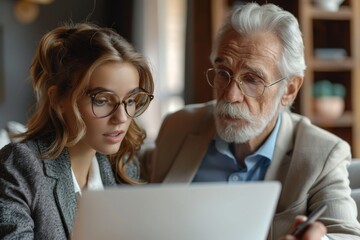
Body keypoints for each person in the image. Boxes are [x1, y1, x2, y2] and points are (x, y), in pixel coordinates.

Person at [141, 2, 360, 240]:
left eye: (252, 80)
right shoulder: (179, 126)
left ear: (289, 89)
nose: (230, 96)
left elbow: (345, 235)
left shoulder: (322, 153)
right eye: (223, 73)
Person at [0, 22, 154, 239]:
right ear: (58, 100)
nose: (121, 117)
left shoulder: (123, 166)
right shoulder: (20, 165)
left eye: (131, 100)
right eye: (102, 100)